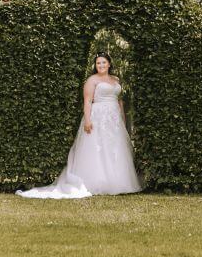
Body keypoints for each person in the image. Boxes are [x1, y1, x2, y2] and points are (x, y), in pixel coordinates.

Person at [17, 52, 142, 198]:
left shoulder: (115, 79)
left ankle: (119, 182)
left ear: (109, 64)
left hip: (114, 119)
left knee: (115, 149)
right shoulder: (92, 80)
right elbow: (88, 101)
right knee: (98, 149)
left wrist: (122, 118)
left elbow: (119, 100)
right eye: (98, 63)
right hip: (98, 116)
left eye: (103, 62)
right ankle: (98, 182)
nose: (101, 65)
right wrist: (88, 120)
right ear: (95, 66)